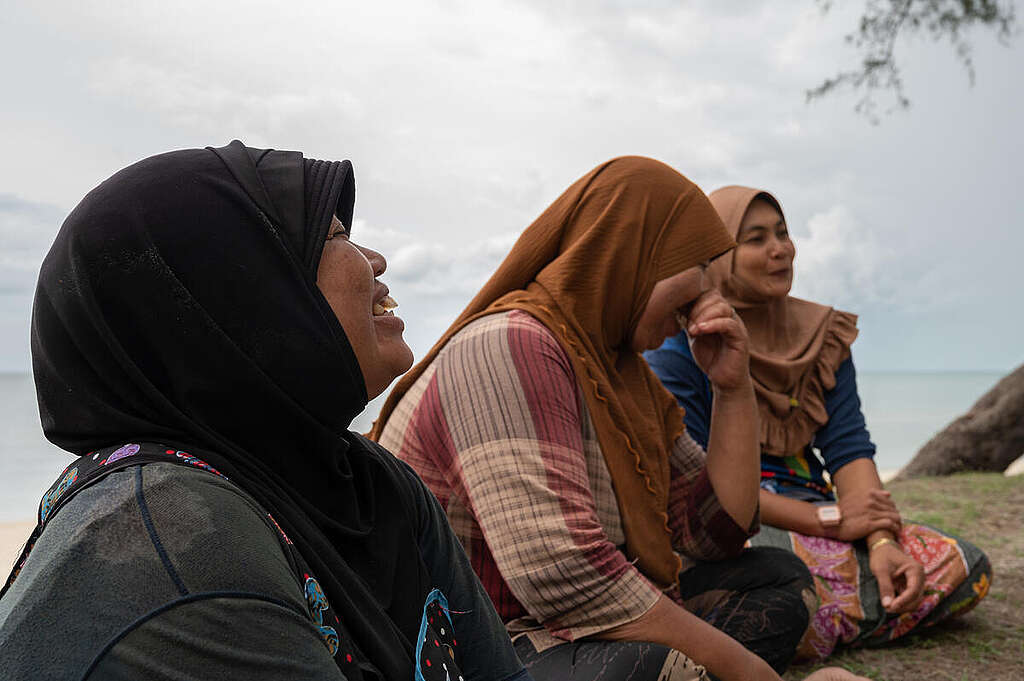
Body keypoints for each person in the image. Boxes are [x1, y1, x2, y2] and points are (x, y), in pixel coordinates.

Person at [0, 141, 533, 681]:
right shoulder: (173, 532)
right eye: (335, 236)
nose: (375, 261)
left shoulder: (370, 483)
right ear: (237, 294)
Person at [371, 158, 866, 681]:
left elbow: (716, 531)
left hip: (569, 621)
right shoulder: (510, 345)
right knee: (659, 666)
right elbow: (564, 576)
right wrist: (751, 672)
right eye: (693, 267)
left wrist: (733, 388)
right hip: (479, 640)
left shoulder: (617, 370)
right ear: (630, 258)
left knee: (780, 580)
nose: (704, 293)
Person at [645, 185, 992, 661]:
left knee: (961, 563)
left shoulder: (823, 336)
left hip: (820, 518)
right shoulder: (681, 342)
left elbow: (849, 448)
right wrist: (828, 522)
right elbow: (699, 484)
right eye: (755, 238)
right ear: (717, 254)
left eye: (783, 233)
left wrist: (881, 538)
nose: (780, 249)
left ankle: (800, 620)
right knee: (770, 564)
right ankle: (816, 609)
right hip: (736, 525)